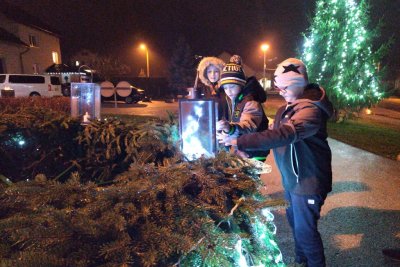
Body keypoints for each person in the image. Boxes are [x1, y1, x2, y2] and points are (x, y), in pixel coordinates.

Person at [223, 58, 333, 267]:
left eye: (282, 86)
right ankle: (302, 260)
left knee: (305, 230)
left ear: (296, 84)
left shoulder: (311, 111)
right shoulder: (288, 107)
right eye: (277, 86)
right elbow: (269, 133)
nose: (279, 90)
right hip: (293, 179)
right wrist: (236, 138)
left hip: (308, 181)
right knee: (295, 223)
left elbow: (283, 135)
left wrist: (240, 141)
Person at [216, 55, 269, 161]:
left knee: (251, 178)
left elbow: (248, 125)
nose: (228, 91)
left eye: (232, 87)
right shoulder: (237, 99)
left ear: (241, 85)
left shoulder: (250, 102)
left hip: (255, 151)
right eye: (225, 88)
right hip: (245, 149)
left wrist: (229, 128)